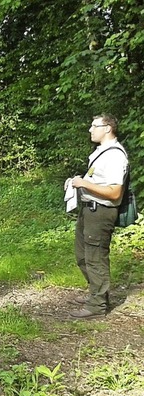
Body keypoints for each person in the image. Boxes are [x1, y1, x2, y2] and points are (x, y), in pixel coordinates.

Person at [67, 114, 128, 319]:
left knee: (95, 258)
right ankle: (97, 294)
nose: (90, 130)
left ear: (108, 128)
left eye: (95, 126)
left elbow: (115, 192)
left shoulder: (115, 156)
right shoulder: (102, 152)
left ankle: (97, 306)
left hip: (101, 211)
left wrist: (84, 184)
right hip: (89, 209)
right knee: (83, 256)